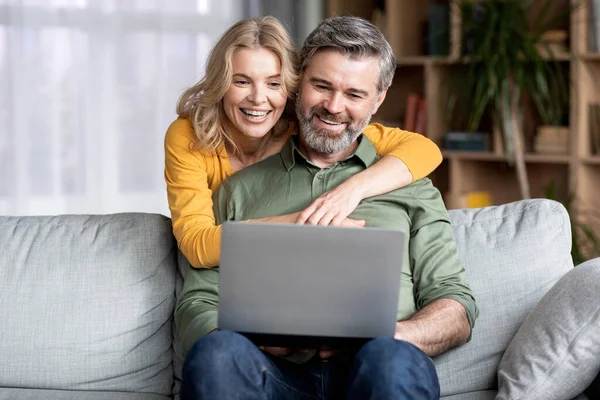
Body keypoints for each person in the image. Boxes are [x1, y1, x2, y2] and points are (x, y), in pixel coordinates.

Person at [176, 16, 479, 400]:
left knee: (391, 359)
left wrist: (394, 335)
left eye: (354, 94)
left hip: (376, 369)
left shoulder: (411, 186)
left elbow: (456, 305)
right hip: (272, 373)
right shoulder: (239, 189)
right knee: (217, 354)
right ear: (299, 81)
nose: (334, 107)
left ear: (378, 98)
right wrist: (235, 336)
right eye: (321, 86)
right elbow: (198, 299)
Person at [164, 16, 443, 269]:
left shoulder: (305, 124)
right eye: (241, 82)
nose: (258, 99)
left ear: (291, 86)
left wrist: (351, 191)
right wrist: (306, 224)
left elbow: (425, 150)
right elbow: (196, 247)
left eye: (274, 84)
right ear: (221, 83)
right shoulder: (190, 135)